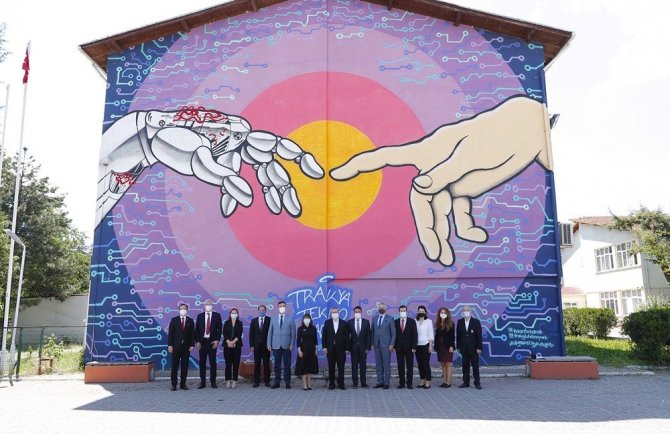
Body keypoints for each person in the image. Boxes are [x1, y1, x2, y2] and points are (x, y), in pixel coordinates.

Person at [267, 300, 296, 389]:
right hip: (276, 345)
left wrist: (292, 344)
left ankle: (287, 382)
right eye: (280, 306)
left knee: (287, 365)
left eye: (283, 306)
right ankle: (277, 382)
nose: (282, 308)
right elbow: (270, 332)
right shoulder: (273, 318)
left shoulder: (290, 318)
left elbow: (293, 333)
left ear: (285, 307)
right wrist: (269, 344)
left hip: (287, 345)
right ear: (277, 307)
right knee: (277, 365)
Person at [195, 299, 222, 389]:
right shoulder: (200, 316)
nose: (208, 306)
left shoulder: (217, 316)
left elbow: (219, 329)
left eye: (210, 304)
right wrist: (197, 341)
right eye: (207, 304)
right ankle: (202, 382)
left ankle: (213, 382)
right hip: (202, 343)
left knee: (212, 363)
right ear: (204, 306)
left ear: (212, 305)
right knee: (202, 363)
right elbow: (197, 330)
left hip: (212, 342)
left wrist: (217, 340)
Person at [167, 303, 195, 391]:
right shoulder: (174, 320)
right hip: (176, 347)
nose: (183, 310)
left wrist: (192, 345)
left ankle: (183, 384)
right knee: (174, 366)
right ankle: (174, 384)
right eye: (181, 309)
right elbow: (170, 334)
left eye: (184, 309)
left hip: (186, 347)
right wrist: (170, 345)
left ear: (187, 310)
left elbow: (192, 334)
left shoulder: (190, 320)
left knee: (184, 366)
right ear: (179, 310)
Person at [322, 307, 350, 390]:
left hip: (341, 349)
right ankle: (332, 384)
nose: (334, 314)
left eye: (336, 312)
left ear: (338, 313)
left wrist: (347, 348)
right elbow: (324, 336)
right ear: (331, 313)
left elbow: (347, 337)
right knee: (331, 367)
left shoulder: (344, 323)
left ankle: (341, 383)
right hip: (330, 349)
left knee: (341, 367)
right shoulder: (327, 323)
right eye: (333, 312)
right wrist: (324, 347)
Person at [456, 305, 483, 390]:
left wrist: (479, 347)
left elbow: (479, 336)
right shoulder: (460, 322)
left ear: (470, 312)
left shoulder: (476, 322)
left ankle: (477, 383)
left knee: (475, 366)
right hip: (464, 348)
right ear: (462, 312)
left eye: (467, 310)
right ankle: (466, 382)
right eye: (464, 310)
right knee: (465, 366)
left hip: (474, 348)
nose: (466, 312)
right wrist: (458, 347)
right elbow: (458, 335)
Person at [371, 302, 395, 389]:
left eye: (383, 307)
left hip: (386, 345)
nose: (381, 308)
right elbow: (372, 331)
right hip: (376, 345)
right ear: (378, 308)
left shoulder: (390, 318)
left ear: (386, 308)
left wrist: (392, 344)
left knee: (386, 364)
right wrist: (372, 343)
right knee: (378, 364)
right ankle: (379, 382)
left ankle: (386, 382)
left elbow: (393, 333)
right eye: (380, 307)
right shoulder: (374, 318)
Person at [395, 305, 418, 389]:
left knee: (409, 365)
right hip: (399, 347)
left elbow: (415, 335)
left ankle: (409, 383)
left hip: (409, 347)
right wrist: (394, 346)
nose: (402, 312)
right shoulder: (395, 322)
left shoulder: (412, 321)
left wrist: (414, 347)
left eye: (404, 310)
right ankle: (401, 383)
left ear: (406, 311)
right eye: (401, 310)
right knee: (400, 365)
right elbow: (394, 335)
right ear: (399, 312)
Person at [347, 305, 371, 388]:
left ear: (361, 312)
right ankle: (355, 383)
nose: (357, 313)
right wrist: (348, 348)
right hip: (353, 348)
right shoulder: (350, 322)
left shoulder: (366, 322)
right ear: (354, 312)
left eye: (359, 312)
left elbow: (368, 336)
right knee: (354, 366)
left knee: (363, 366)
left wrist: (367, 347)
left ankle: (363, 383)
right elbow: (347, 336)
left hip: (363, 348)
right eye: (356, 312)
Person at [249, 304, 272, 387]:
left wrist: (270, 344)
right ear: (258, 311)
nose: (262, 311)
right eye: (260, 310)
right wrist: (251, 345)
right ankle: (256, 381)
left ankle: (267, 381)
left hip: (266, 346)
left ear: (265, 311)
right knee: (257, 364)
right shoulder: (254, 321)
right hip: (256, 346)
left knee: (266, 364)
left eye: (263, 310)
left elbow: (271, 333)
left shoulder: (269, 320)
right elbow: (251, 334)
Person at [295, 313, 318, 390]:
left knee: (310, 367)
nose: (306, 320)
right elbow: (298, 340)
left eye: (308, 318)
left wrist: (316, 349)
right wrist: (299, 350)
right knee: (303, 367)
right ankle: (304, 383)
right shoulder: (300, 328)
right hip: (303, 350)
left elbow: (315, 340)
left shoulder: (313, 328)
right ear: (303, 320)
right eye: (305, 318)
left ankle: (309, 383)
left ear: (310, 320)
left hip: (311, 350)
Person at [434, 307, 455, 388]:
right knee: (443, 364)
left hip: (448, 347)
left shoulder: (450, 323)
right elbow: (436, 336)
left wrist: (452, 346)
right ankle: (444, 381)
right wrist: (436, 346)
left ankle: (448, 382)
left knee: (448, 364)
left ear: (447, 314)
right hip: (440, 347)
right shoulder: (438, 323)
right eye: (441, 312)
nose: (442, 314)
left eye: (444, 312)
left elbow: (452, 336)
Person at [222, 308, 243, 388]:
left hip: (237, 345)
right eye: (232, 313)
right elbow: (224, 333)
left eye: (235, 313)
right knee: (228, 363)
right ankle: (228, 380)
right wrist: (228, 342)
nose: (233, 314)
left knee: (236, 363)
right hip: (227, 345)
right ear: (230, 314)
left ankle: (234, 380)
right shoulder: (226, 323)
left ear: (237, 314)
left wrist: (233, 342)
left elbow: (239, 334)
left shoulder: (240, 323)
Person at [415, 305, 434, 389]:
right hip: (417, 346)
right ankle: (422, 380)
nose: (421, 312)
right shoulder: (415, 321)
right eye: (420, 311)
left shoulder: (429, 321)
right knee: (420, 364)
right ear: (417, 312)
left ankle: (428, 381)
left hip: (426, 345)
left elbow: (430, 334)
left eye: (423, 311)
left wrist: (430, 345)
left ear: (425, 312)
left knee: (425, 364)